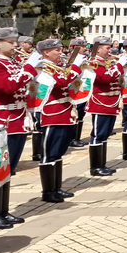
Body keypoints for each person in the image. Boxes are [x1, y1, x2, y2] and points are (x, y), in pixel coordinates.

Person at [0, 27, 38, 228]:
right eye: (11, 41)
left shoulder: (12, 61)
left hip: (17, 118)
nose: (16, 45)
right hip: (2, 119)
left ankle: (3, 211)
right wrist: (29, 69)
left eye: (16, 41)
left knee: (8, 169)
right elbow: (8, 86)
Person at [34, 39, 80, 203]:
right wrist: (75, 68)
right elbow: (62, 82)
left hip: (65, 112)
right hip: (52, 114)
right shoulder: (43, 67)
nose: (61, 53)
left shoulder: (58, 67)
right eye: (57, 50)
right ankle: (48, 192)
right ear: (46, 52)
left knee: (59, 152)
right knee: (49, 153)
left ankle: (56, 188)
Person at [87, 37, 122, 176]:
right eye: (107, 48)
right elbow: (104, 78)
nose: (110, 50)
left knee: (105, 134)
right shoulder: (94, 63)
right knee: (98, 134)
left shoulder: (108, 62)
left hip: (111, 101)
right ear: (98, 48)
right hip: (100, 102)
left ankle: (102, 164)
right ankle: (95, 167)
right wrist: (118, 66)